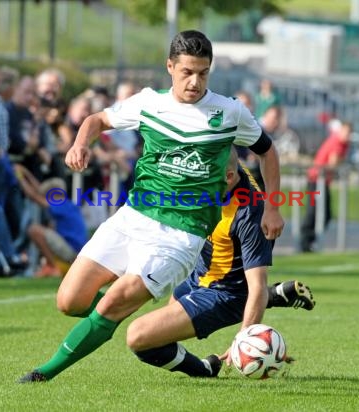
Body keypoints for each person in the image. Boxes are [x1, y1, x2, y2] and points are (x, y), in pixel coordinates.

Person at [19, 30, 284, 383]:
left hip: (181, 235)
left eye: (203, 73)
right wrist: (80, 144)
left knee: (112, 306)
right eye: (187, 71)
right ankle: (119, 312)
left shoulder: (230, 111)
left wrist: (272, 207)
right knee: (69, 301)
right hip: (132, 218)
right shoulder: (148, 103)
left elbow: (267, 151)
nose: (195, 81)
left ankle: (44, 373)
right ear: (170, 66)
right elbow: (95, 120)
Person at [127, 148, 315, 377]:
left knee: (139, 336)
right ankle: (274, 295)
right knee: (161, 339)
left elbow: (255, 286)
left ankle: (204, 369)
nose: (198, 184)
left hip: (223, 294)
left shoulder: (250, 215)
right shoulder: (223, 168)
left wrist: (242, 339)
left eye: (205, 178)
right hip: (200, 274)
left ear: (228, 177)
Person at [14, 164, 88, 277]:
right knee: (49, 227)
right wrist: (26, 172)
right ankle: (51, 265)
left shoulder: (60, 204)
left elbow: (33, 195)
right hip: (77, 251)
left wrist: (19, 175)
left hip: (72, 251)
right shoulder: (68, 204)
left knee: (34, 230)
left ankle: (53, 267)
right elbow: (39, 190)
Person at [300, 119, 351, 252]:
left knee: (325, 214)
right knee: (314, 212)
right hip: (316, 179)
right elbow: (333, 163)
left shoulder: (342, 143)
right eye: (345, 132)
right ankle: (305, 242)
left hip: (323, 181)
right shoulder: (337, 142)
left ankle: (310, 241)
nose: (347, 135)